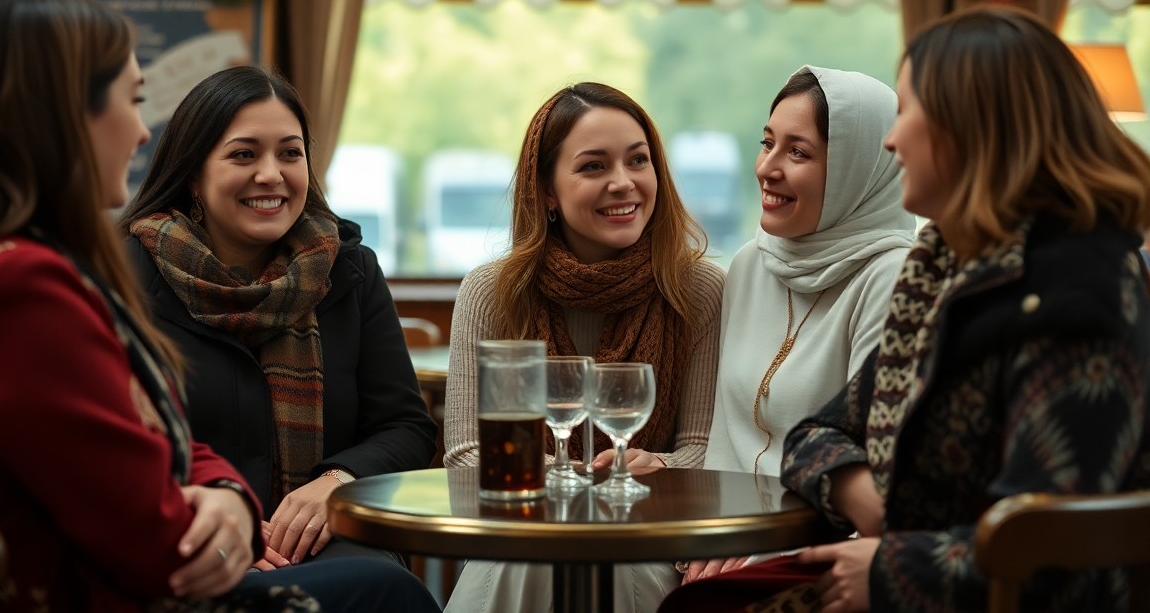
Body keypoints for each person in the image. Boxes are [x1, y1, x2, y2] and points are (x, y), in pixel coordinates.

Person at [0, 0, 440, 612]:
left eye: (291, 153)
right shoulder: (24, 283)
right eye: (132, 101)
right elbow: (132, 509)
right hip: (123, 584)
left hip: (215, 545)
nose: (142, 134)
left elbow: (148, 436)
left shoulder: (11, 266)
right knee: (387, 592)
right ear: (62, 116)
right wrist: (232, 524)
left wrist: (240, 491)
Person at [672, 5, 1150, 612]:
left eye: (910, 111)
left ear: (972, 127)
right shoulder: (941, 264)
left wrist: (888, 568)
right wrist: (871, 504)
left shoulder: (1082, 284)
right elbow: (816, 434)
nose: (891, 141)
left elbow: (1049, 543)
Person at [119, 65, 437, 570]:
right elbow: (111, 447)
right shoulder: (124, 274)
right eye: (244, 154)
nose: (272, 174)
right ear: (194, 173)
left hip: (325, 539)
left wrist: (336, 482)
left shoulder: (350, 269)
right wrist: (220, 528)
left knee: (379, 584)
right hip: (186, 538)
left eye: (290, 153)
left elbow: (405, 427)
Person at [443, 82, 725, 613]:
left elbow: (705, 447)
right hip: (520, 535)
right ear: (547, 189)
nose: (624, 183)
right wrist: (565, 482)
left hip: (651, 534)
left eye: (638, 161)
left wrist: (658, 465)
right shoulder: (495, 292)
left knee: (610, 559)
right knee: (535, 556)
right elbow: (465, 457)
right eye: (594, 166)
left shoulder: (699, 290)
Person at [681, 67, 914, 584]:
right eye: (767, 144)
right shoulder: (748, 264)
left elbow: (880, 466)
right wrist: (718, 528)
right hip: (724, 531)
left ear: (857, 169)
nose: (767, 168)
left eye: (799, 152)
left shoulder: (894, 276)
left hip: (828, 548)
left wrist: (761, 548)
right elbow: (727, 435)